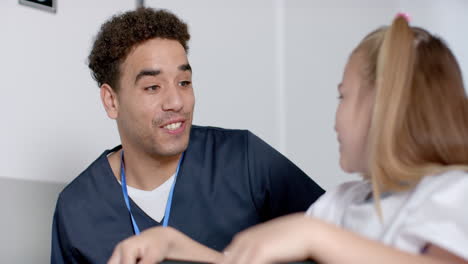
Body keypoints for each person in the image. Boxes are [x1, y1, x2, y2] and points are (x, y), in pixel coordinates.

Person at [108, 14, 468, 264]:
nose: (335, 117)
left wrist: (314, 236)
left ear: (385, 107)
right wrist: (175, 244)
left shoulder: (451, 193)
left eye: (344, 96)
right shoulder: (341, 204)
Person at [50, 7, 324, 264]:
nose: (176, 102)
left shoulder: (244, 160)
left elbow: (345, 242)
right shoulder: (77, 208)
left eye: (184, 83)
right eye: (153, 87)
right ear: (111, 101)